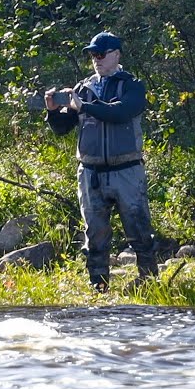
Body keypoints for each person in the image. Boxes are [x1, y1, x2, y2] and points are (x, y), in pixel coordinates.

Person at [45, 31, 159, 292]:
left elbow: (121, 112)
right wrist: (53, 112)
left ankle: (149, 281)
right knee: (95, 233)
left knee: (139, 229)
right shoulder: (83, 88)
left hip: (126, 171)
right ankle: (99, 285)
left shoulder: (131, 85)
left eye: (101, 54)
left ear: (116, 54)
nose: (96, 59)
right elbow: (63, 128)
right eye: (92, 54)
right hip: (90, 172)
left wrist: (85, 106)